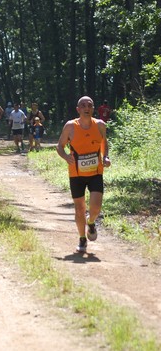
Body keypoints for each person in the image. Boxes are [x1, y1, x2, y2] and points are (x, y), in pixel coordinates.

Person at [56, 95, 111, 253]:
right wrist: (66, 156)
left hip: (95, 172)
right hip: (76, 174)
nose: (87, 107)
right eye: (83, 105)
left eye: (90, 105)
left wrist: (105, 156)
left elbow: (104, 143)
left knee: (96, 207)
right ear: (78, 109)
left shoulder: (100, 125)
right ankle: (82, 238)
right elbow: (60, 146)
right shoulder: (70, 127)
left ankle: (91, 222)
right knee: (79, 208)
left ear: (93, 109)